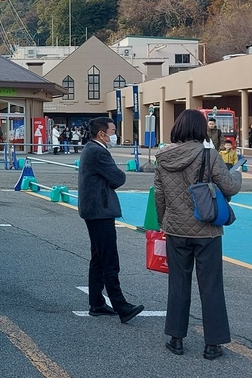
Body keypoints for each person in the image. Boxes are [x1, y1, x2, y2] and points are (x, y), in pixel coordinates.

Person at [154, 109, 242, 360]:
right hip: (207, 230)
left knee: (178, 284)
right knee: (211, 286)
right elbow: (229, 187)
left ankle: (176, 338)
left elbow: (159, 195)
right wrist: (237, 173)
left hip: (175, 229)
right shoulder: (208, 154)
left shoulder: (163, 157)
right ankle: (213, 343)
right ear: (201, 129)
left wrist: (164, 222)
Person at [77, 117, 145, 324]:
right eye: (113, 131)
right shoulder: (98, 151)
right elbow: (118, 178)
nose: (115, 135)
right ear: (102, 134)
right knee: (109, 259)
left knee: (98, 257)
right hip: (100, 210)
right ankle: (120, 305)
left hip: (94, 209)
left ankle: (97, 303)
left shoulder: (91, 149)